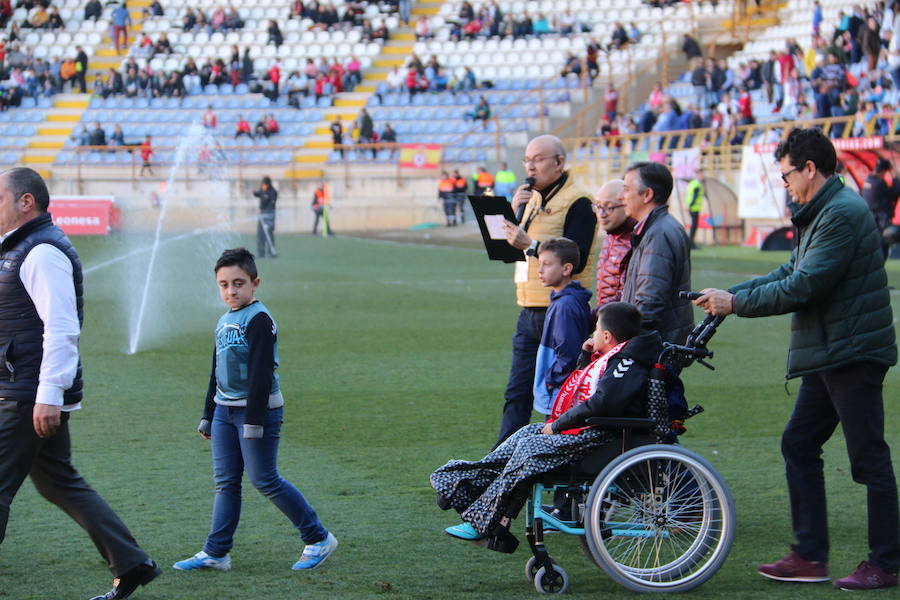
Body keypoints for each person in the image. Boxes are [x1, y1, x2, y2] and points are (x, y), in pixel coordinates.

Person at [694, 127, 899, 591]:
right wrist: (732, 294)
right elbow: (790, 270)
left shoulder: (840, 214)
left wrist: (736, 304)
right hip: (832, 351)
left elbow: (806, 285)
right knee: (799, 444)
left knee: (868, 459)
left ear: (810, 169)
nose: (783, 182)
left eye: (786, 173)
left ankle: (886, 563)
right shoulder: (822, 210)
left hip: (851, 352)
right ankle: (810, 556)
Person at [0, 167, 161, 600]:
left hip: (27, 394)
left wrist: (48, 395)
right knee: (58, 481)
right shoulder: (20, 248)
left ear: (25, 202)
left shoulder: (41, 252)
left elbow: (62, 328)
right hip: (24, 389)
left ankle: (132, 563)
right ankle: (132, 564)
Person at [432, 302, 660, 547]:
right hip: (594, 430)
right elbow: (586, 391)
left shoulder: (626, 362)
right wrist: (585, 356)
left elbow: (603, 403)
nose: (592, 334)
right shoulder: (615, 358)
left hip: (604, 435)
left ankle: (485, 517)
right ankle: (466, 488)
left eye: (595, 330)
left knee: (530, 449)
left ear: (607, 336)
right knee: (526, 434)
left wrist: (558, 425)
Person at [173, 248, 338, 573]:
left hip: (257, 414)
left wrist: (253, 421)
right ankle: (216, 552)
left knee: (265, 479)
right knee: (226, 482)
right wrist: (208, 412)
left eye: (238, 283)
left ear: (254, 283)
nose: (231, 291)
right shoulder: (224, 319)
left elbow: (262, 374)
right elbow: (216, 369)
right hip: (224, 413)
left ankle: (318, 537)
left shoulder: (259, 319)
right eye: (224, 285)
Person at [495, 134, 598, 447]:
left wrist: (532, 245)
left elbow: (575, 259)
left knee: (559, 393)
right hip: (529, 308)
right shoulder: (531, 199)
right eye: (527, 160)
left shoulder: (578, 201)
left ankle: (554, 453)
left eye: (538, 159)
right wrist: (512, 214)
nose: (530, 166)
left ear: (559, 162)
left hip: (562, 311)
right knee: (517, 392)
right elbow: (507, 253)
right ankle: (502, 458)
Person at [618, 161, 692, 345]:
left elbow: (649, 302)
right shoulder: (657, 227)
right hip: (660, 340)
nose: (621, 197)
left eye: (626, 189)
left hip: (655, 345)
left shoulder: (658, 234)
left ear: (647, 195)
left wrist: (627, 343)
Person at [531, 237, 591, 417]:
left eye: (547, 264)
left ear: (566, 268)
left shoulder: (565, 305)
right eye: (539, 264)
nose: (540, 270)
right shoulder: (564, 300)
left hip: (559, 391)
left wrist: (552, 378)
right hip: (561, 388)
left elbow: (569, 352)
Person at [592, 179, 634, 310]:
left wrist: (594, 316)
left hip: (621, 322)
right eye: (598, 206)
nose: (601, 214)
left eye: (609, 207)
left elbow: (628, 294)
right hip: (606, 323)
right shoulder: (610, 236)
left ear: (626, 205)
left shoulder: (636, 240)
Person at [862, 158, 900, 258]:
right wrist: (895, 177)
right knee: (882, 251)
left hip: (871, 222)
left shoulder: (868, 181)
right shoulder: (879, 184)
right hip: (881, 223)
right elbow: (896, 191)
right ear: (884, 171)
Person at [253, 176, 277, 258]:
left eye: (265, 184)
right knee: (260, 234)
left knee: (269, 234)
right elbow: (259, 194)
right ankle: (261, 253)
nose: (263, 185)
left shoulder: (273, 192)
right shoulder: (263, 188)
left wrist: (263, 210)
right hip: (262, 217)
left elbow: (272, 204)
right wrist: (254, 192)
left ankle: (271, 252)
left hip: (269, 216)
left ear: (268, 184)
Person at [685, 170, 704, 249]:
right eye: (701, 174)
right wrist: (691, 205)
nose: (702, 176)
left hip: (692, 207)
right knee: (694, 226)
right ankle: (691, 242)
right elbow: (695, 197)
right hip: (694, 208)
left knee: (693, 225)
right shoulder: (697, 185)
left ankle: (691, 242)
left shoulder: (692, 183)